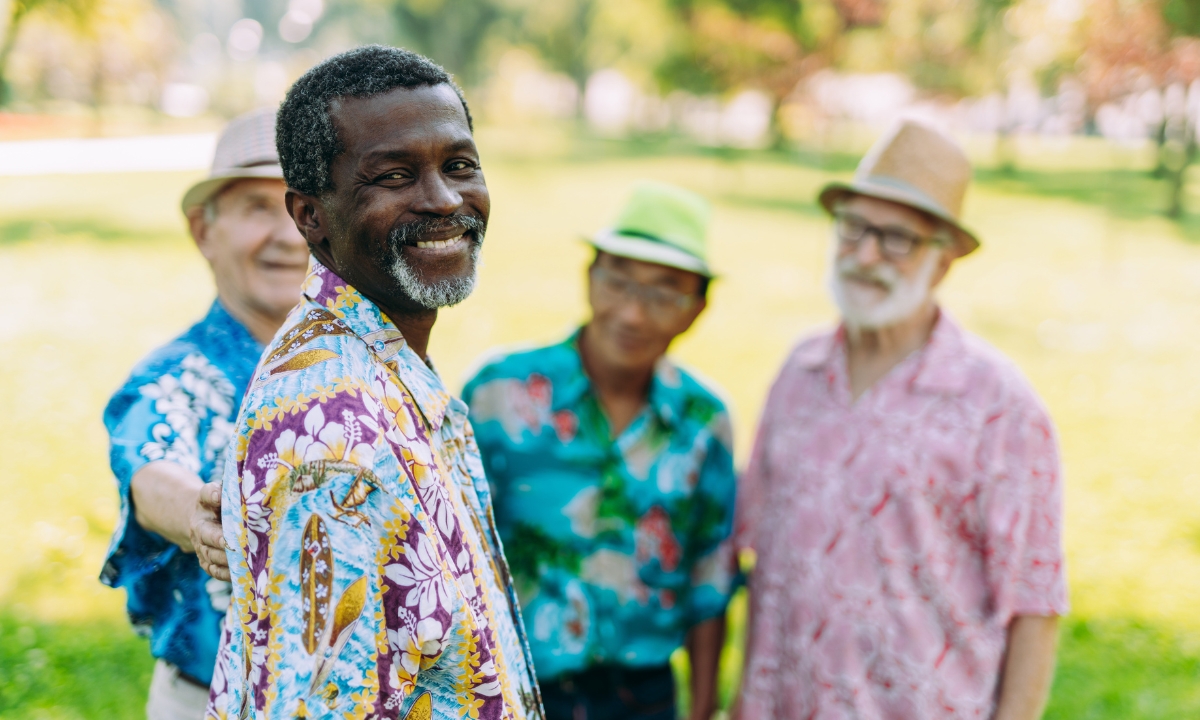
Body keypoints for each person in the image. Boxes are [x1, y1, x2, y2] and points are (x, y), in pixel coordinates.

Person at [204, 46, 542, 720]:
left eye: (459, 165)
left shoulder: (387, 367)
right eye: (392, 176)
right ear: (310, 217)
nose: (444, 199)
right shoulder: (333, 434)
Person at [733, 119, 1067, 720]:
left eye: (896, 239)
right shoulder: (799, 372)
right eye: (854, 228)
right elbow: (765, 557)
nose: (865, 255)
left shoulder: (999, 406)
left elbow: (1035, 605)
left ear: (942, 262)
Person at [462, 181, 738, 720]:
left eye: (663, 293)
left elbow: (711, 574)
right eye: (618, 282)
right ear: (589, 278)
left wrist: (703, 709)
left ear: (697, 308)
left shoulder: (704, 422)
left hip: (643, 696)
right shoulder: (499, 393)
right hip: (517, 685)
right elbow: (454, 554)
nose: (633, 315)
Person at [100, 107, 308, 720]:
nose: (289, 236)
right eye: (256, 207)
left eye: (302, 209)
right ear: (203, 230)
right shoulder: (174, 377)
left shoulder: (370, 366)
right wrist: (199, 512)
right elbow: (151, 471)